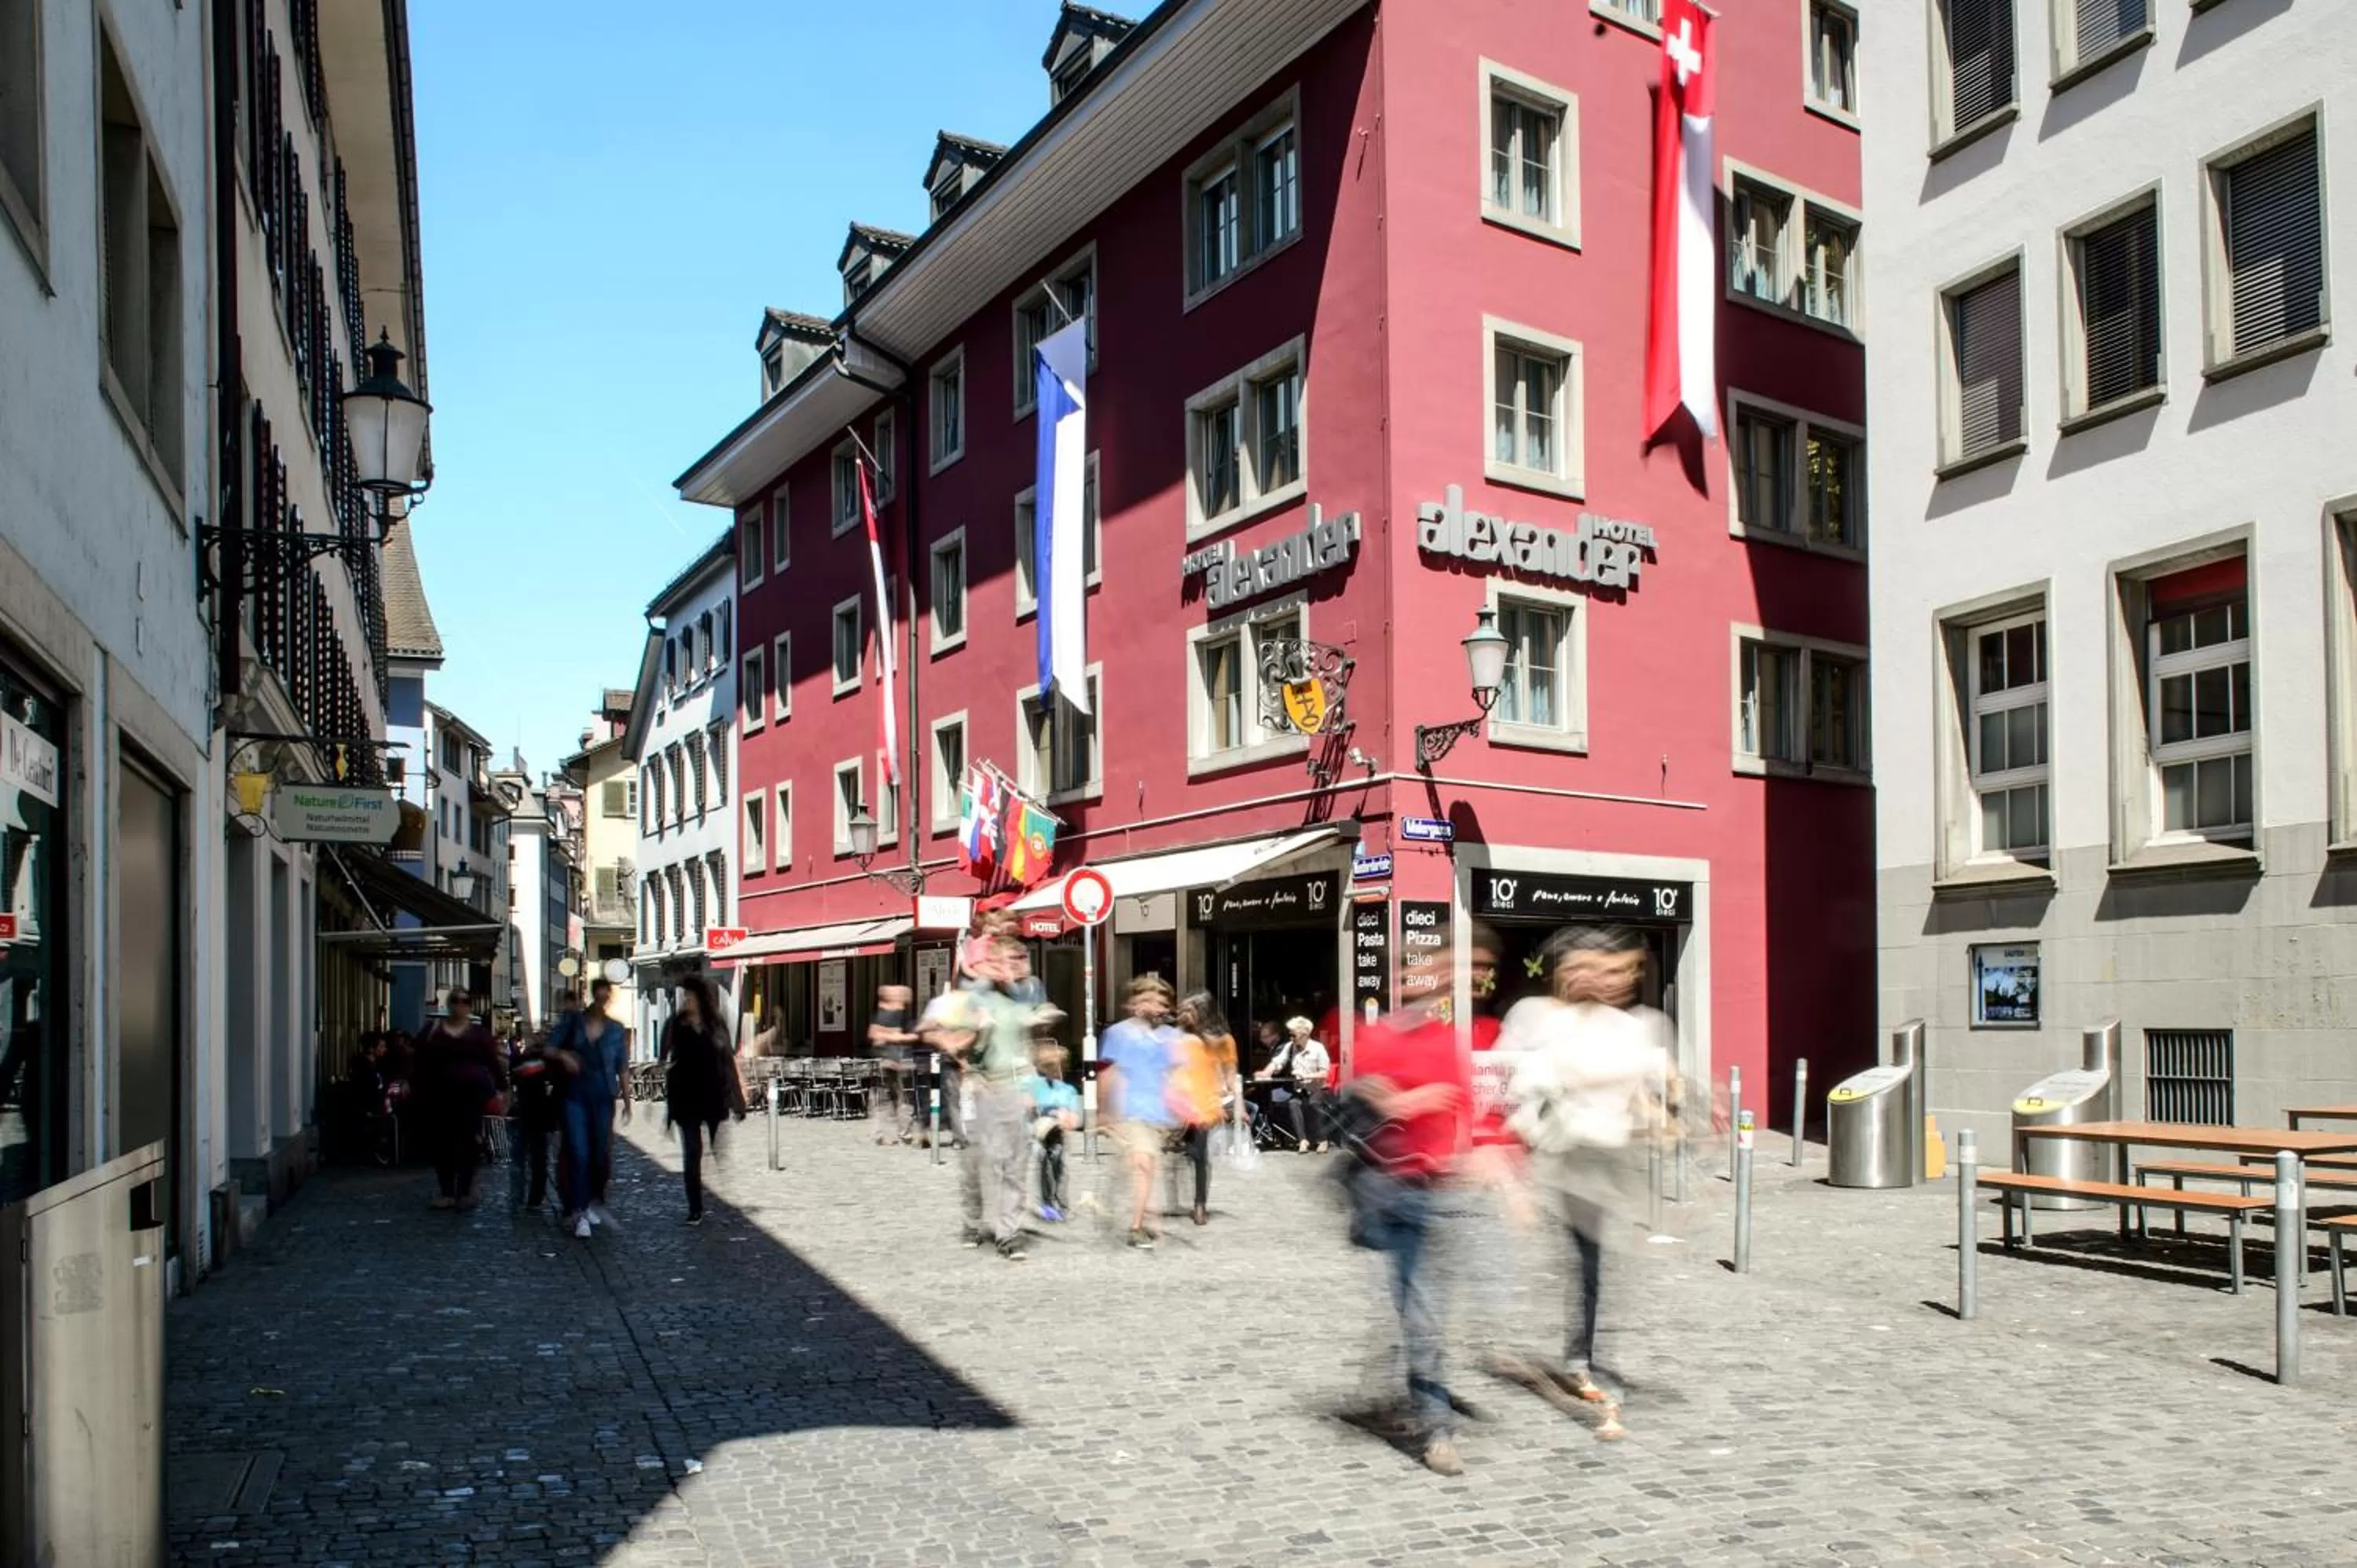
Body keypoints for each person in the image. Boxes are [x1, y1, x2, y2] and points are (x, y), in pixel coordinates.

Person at [1500, 925, 1676, 1442]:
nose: (1610, 981)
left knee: (1594, 1264)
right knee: (1588, 1259)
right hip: (1570, 1158)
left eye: (1622, 972)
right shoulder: (1539, 1020)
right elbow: (1525, 1089)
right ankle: (1582, 1358)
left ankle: (1583, 1353)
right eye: (1595, 970)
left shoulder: (1633, 1028)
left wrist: (1663, 1112)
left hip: (1611, 1157)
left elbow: (1654, 1088)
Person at [1343, 938, 1476, 1477]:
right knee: (1421, 1310)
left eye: (1445, 975)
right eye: (1426, 973)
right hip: (1390, 1187)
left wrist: (1463, 1153)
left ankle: (1401, 1381)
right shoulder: (1374, 1036)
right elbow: (1377, 1100)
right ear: (1403, 980)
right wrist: (1418, 1100)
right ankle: (1436, 1429)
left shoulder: (1450, 1039)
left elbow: (1464, 1102)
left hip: (1436, 1190)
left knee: (1420, 1305)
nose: (1436, 983)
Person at [946, 935, 1039, 1261]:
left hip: (1014, 1088)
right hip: (983, 1087)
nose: (1014, 968)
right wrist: (975, 1036)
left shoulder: (1021, 1003)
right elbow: (954, 1045)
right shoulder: (976, 1000)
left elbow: (1026, 1047)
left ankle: (1008, 1234)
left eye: (1018, 961)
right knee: (980, 1162)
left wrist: (1032, 1085)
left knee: (1015, 1163)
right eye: (1007, 962)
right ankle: (972, 1223)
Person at [1098, 976, 1177, 1249]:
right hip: (1129, 1109)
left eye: (1160, 1002)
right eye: (1147, 1000)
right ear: (1132, 1004)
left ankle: (1136, 1210)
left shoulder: (1170, 1036)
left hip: (1158, 1112)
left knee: (1144, 1167)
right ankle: (1136, 1227)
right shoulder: (1119, 1033)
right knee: (1143, 1164)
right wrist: (1104, 1111)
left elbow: (1176, 1074)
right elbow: (1110, 1072)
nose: (1155, 1006)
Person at [409, 989, 505, 1211]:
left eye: (465, 1002)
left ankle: (464, 1191)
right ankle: (447, 1191)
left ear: (469, 1006)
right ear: (449, 1004)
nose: (460, 1006)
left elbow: (492, 1062)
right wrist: (413, 1086)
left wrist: (502, 1090)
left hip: (471, 1097)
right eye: (455, 1001)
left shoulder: (478, 1034)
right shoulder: (432, 1032)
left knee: (469, 1142)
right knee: (442, 1143)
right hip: (439, 1096)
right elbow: (418, 1062)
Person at [552, 978, 631, 1240]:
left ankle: (591, 1199)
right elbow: (550, 1048)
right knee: (579, 1152)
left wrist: (628, 1100)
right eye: (597, 997)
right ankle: (579, 1211)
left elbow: (622, 1067)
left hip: (602, 1096)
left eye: (605, 998)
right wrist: (564, 1055)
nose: (601, 1002)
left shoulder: (617, 1030)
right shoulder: (573, 1023)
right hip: (574, 1095)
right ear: (591, 997)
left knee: (598, 1153)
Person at [659, 976, 735, 1225]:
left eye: (690, 997)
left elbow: (727, 1060)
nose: (687, 1001)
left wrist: (737, 1098)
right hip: (685, 1100)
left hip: (712, 1097)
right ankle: (695, 1207)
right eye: (685, 997)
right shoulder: (676, 1024)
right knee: (692, 1152)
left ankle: (715, 1185)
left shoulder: (716, 1025)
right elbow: (664, 1058)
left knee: (715, 1150)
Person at [1169, 994, 1237, 1227]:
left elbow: (1229, 1074)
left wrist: (1234, 1102)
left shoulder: (1221, 1041)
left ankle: (1199, 1204)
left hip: (1203, 1106)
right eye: (1182, 1011)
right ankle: (1182, 1198)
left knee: (1199, 1155)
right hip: (1178, 1105)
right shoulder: (1177, 1039)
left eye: (1189, 1010)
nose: (1183, 1015)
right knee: (1185, 1153)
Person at [508, 1026, 566, 1211]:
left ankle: (534, 1199)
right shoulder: (522, 1059)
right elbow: (514, 1081)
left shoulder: (551, 1062)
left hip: (542, 1118)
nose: (539, 1038)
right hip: (525, 1115)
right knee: (521, 1160)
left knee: (538, 1161)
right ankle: (520, 1197)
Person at [1028, 1039, 1082, 1222]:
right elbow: (1024, 1105)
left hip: (1058, 1134)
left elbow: (1075, 1119)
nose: (1054, 1070)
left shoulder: (1068, 1090)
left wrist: (1066, 1118)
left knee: (1059, 1164)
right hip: (1037, 1134)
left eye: (1057, 1066)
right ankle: (1046, 1203)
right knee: (1041, 1160)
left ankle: (1061, 1203)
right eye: (1049, 1066)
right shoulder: (1033, 1085)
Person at [868, 983, 920, 1145]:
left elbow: (876, 1034)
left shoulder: (887, 1013)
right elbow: (877, 1035)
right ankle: (900, 1133)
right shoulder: (892, 1014)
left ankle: (883, 1133)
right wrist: (905, 1037)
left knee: (889, 1100)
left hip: (890, 1061)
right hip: (897, 1062)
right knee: (902, 1099)